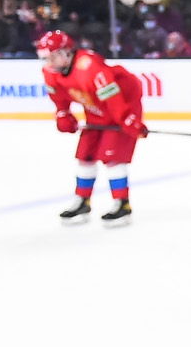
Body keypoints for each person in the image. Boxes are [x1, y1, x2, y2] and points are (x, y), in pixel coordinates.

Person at [42, 30, 146, 227]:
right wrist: (63, 113)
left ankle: (122, 204)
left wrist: (127, 119)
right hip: (95, 112)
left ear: (67, 53)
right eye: (46, 57)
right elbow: (59, 97)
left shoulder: (89, 66)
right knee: (85, 156)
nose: (49, 62)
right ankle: (83, 201)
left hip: (122, 107)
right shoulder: (50, 72)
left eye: (53, 56)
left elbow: (112, 95)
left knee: (112, 158)